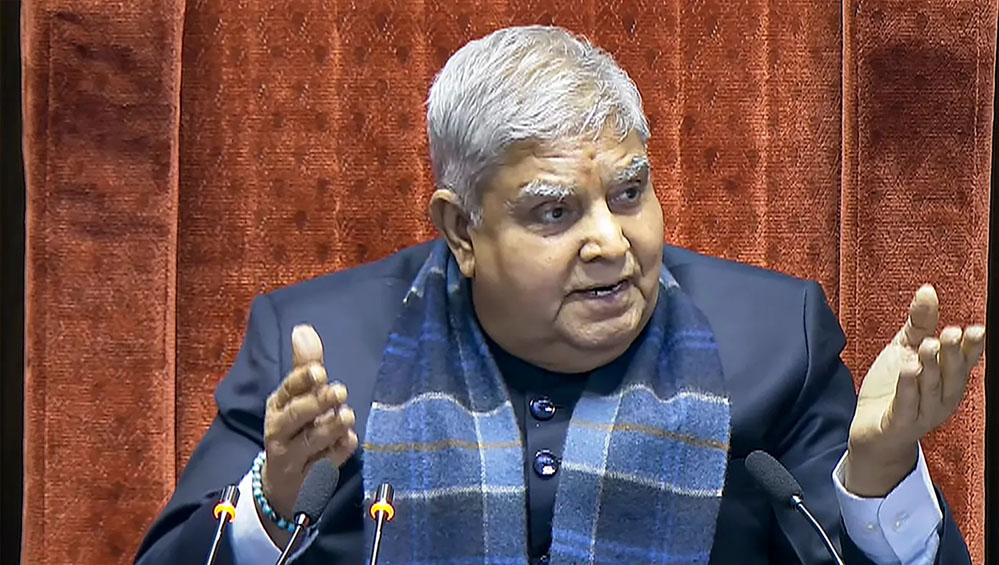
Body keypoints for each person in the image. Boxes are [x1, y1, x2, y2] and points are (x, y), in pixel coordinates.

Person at [135, 26, 985, 565]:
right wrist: (273, 502)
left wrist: (877, 477)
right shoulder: (323, 351)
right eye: (554, 211)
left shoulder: (771, 337)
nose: (610, 241)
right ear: (461, 229)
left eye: (628, 193)